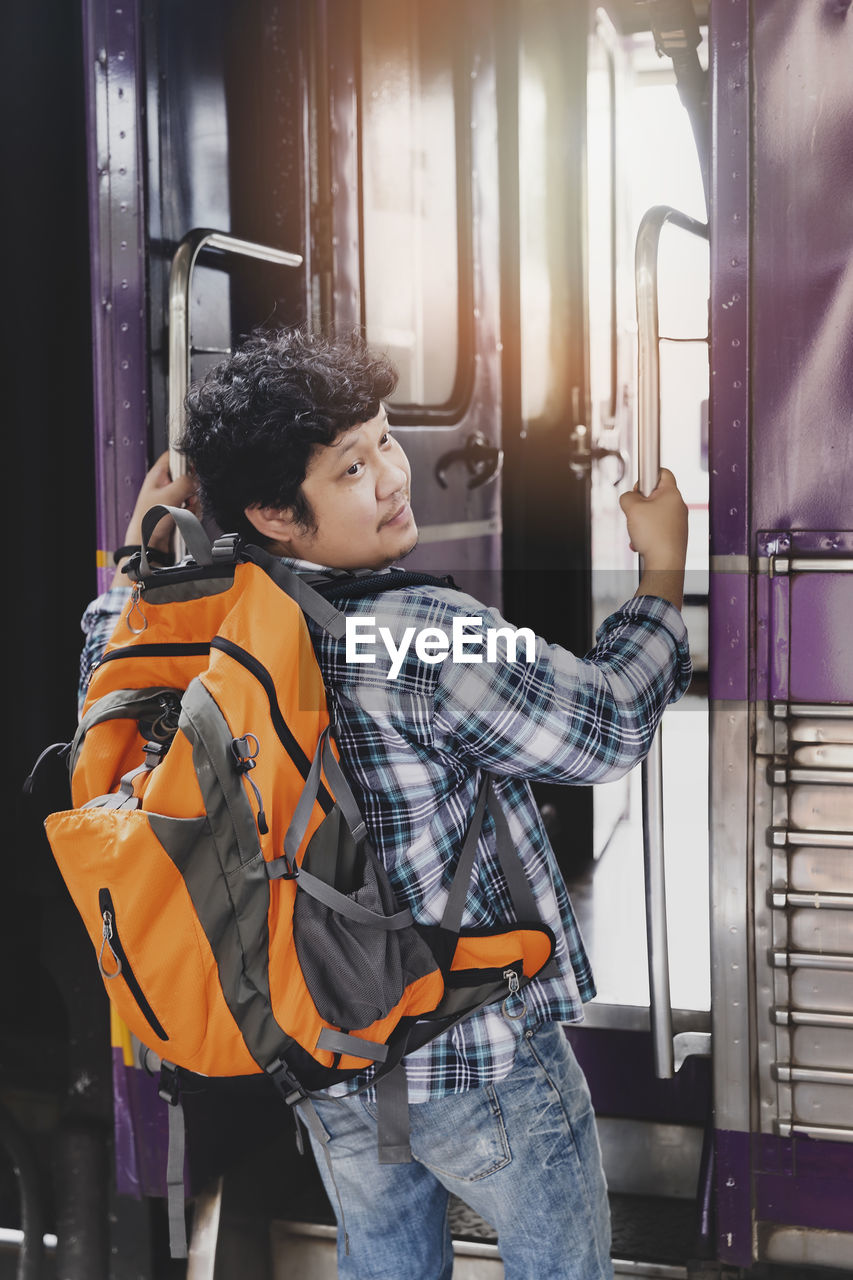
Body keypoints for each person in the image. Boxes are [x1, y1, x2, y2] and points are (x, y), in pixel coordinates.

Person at [80, 328, 691, 1280]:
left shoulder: (217, 618)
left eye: (385, 440)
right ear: (276, 513)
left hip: (321, 1046)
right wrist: (660, 576)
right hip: (478, 1053)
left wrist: (133, 563)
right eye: (352, 465)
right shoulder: (419, 635)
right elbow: (604, 727)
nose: (392, 475)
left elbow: (110, 692)